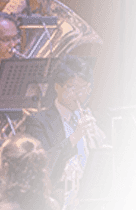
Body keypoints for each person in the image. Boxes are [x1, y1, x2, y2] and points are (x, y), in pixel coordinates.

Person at [22, 56, 103, 190]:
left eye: (84, 88)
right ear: (57, 87)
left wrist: (99, 139)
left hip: (88, 188)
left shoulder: (87, 116)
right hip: (57, 191)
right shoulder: (37, 121)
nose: (79, 94)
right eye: (73, 88)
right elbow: (43, 164)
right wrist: (74, 137)